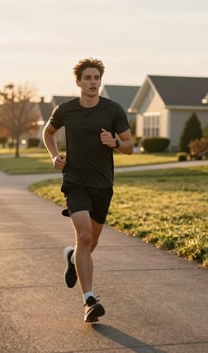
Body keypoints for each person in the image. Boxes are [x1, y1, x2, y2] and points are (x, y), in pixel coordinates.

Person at [42, 58, 134, 322]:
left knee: (90, 243)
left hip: (103, 184)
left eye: (97, 78)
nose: (93, 82)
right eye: (88, 78)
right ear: (78, 82)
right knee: (83, 237)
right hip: (75, 181)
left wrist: (115, 142)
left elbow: (129, 145)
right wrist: (54, 156)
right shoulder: (66, 110)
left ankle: (72, 259)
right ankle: (89, 301)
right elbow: (48, 133)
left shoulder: (113, 110)